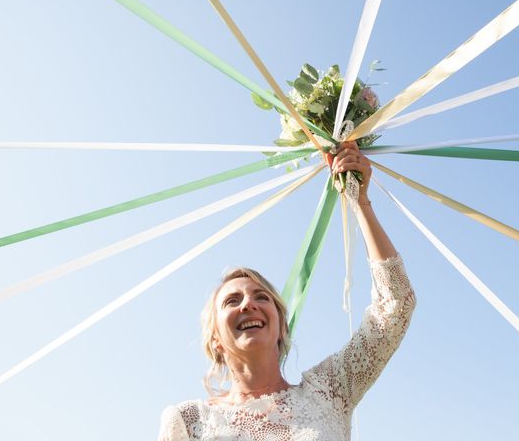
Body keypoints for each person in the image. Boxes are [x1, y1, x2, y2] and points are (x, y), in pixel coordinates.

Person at [158, 141, 416, 441]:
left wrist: (359, 201)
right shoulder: (189, 420)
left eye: (261, 297)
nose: (248, 305)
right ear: (214, 337)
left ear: (282, 327)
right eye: (232, 300)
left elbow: (395, 306)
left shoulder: (331, 390)